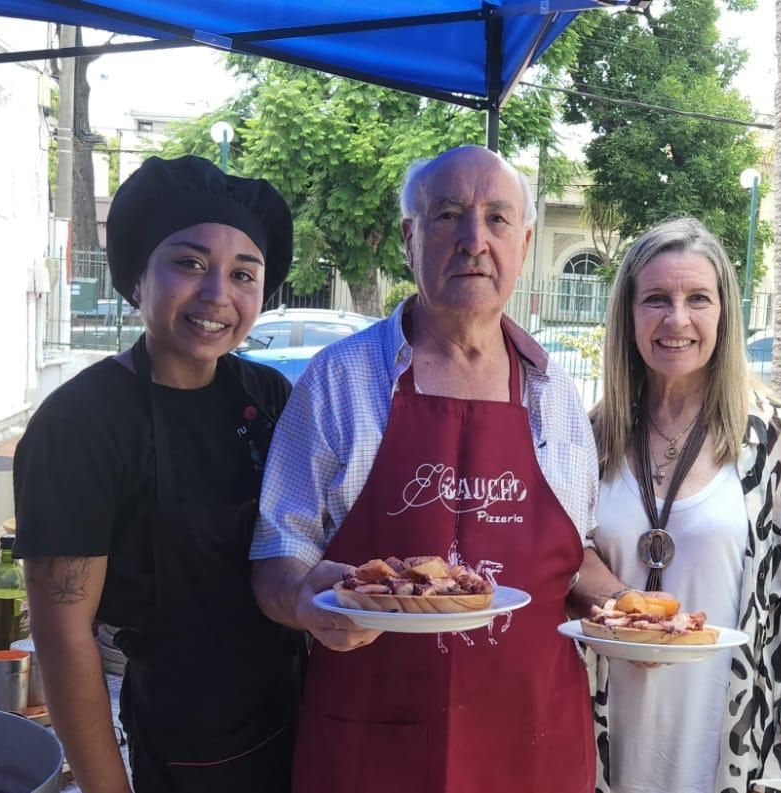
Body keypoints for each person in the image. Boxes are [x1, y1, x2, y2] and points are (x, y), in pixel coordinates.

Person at [249, 145, 608, 792]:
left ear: (524, 244)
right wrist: (304, 601)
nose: (475, 240)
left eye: (498, 219)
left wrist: (635, 617)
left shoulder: (555, 396)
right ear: (410, 239)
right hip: (373, 746)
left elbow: (570, 556)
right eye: (449, 215)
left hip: (535, 745)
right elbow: (278, 558)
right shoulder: (339, 382)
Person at [14, 156, 304, 793]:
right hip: (176, 734)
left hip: (297, 714)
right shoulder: (80, 423)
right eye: (190, 263)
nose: (216, 294)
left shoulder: (270, 397)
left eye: (243, 274)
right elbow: (63, 635)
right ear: (137, 277)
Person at [583, 218, 781, 793]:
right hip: (604, 742)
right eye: (655, 299)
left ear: (724, 313)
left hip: (730, 750)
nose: (677, 319)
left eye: (698, 298)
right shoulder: (590, 437)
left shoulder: (778, 440)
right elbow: (562, 563)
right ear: (628, 314)